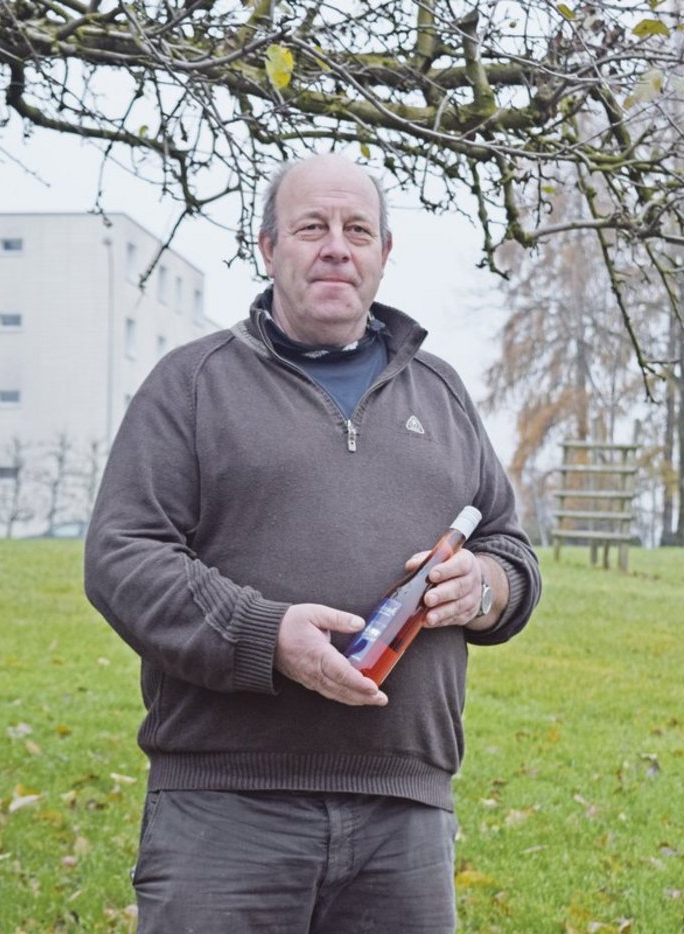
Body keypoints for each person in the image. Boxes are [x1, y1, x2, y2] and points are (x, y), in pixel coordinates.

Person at [84, 153, 541, 933]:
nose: (337, 246)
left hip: (406, 814)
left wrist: (486, 587)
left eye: (358, 230)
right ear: (268, 248)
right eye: (312, 228)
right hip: (226, 809)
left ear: (384, 255)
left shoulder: (441, 390)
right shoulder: (192, 384)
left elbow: (508, 546)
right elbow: (124, 556)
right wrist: (267, 637)